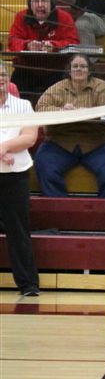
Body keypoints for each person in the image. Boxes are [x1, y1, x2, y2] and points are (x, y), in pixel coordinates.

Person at [34, 54, 105, 198]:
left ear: (89, 70)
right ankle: (59, 207)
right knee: (44, 165)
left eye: (83, 66)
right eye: (75, 66)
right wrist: (62, 111)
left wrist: (85, 113)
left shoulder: (103, 87)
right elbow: (41, 108)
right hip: (60, 142)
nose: (79, 69)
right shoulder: (57, 88)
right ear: (69, 70)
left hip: (96, 143)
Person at [0, 62, 40, 296]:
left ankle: (28, 284)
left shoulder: (23, 105)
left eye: (3, 74)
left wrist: (4, 147)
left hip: (15, 176)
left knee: (18, 231)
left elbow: (29, 137)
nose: (1, 78)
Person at [7, 0, 80, 104]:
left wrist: (54, 46)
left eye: (44, 0)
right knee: (14, 99)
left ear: (51, 3)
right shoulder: (21, 17)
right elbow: (12, 41)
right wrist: (27, 45)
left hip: (56, 69)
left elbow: (73, 42)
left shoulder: (64, 17)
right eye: (36, 1)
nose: (40, 5)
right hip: (27, 69)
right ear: (30, 4)